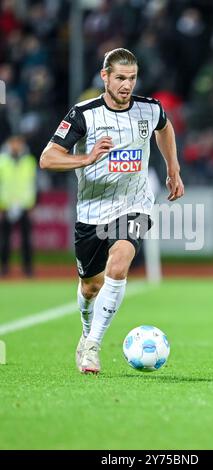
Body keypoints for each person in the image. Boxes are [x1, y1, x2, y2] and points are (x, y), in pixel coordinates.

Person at [40, 48, 184, 374]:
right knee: (90, 287)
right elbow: (48, 158)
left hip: (134, 204)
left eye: (131, 78)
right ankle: (86, 331)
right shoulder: (83, 114)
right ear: (105, 76)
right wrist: (86, 158)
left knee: (118, 265)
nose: (126, 85)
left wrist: (173, 169)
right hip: (92, 212)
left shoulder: (149, 109)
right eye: (120, 78)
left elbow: (165, 128)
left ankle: (92, 345)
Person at [0, 135, 37, 276]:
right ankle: (4, 268)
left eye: (18, 143)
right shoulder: (2, 161)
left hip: (24, 206)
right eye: (13, 142)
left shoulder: (29, 161)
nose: (16, 146)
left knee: (26, 240)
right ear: (9, 144)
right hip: (6, 205)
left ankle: (28, 269)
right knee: (4, 240)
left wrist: (32, 205)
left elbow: (33, 185)